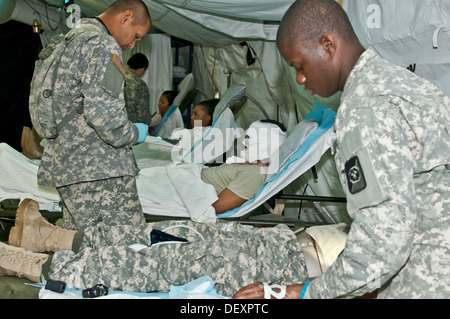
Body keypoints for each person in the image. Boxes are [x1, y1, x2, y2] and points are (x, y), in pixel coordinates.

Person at [235, 0, 450, 299]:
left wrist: (306, 293)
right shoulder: (402, 82)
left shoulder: (363, 108)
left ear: (327, 44)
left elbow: (382, 243)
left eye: (300, 65)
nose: (300, 79)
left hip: (428, 280)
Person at [1, 197, 347, 298]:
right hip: (279, 243)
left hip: (290, 273)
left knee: (159, 262)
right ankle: (50, 238)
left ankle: (35, 265)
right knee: (162, 233)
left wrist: (292, 293)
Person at [37, 0, 152, 234]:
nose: (132, 44)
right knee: (125, 251)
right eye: (137, 36)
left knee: (86, 251)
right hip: (99, 171)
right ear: (126, 17)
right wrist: (133, 133)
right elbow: (105, 116)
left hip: (68, 165)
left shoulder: (67, 40)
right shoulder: (101, 44)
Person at [124, 53, 152, 123]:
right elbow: (143, 114)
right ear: (143, 68)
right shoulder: (140, 84)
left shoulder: (119, 77)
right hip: (132, 126)